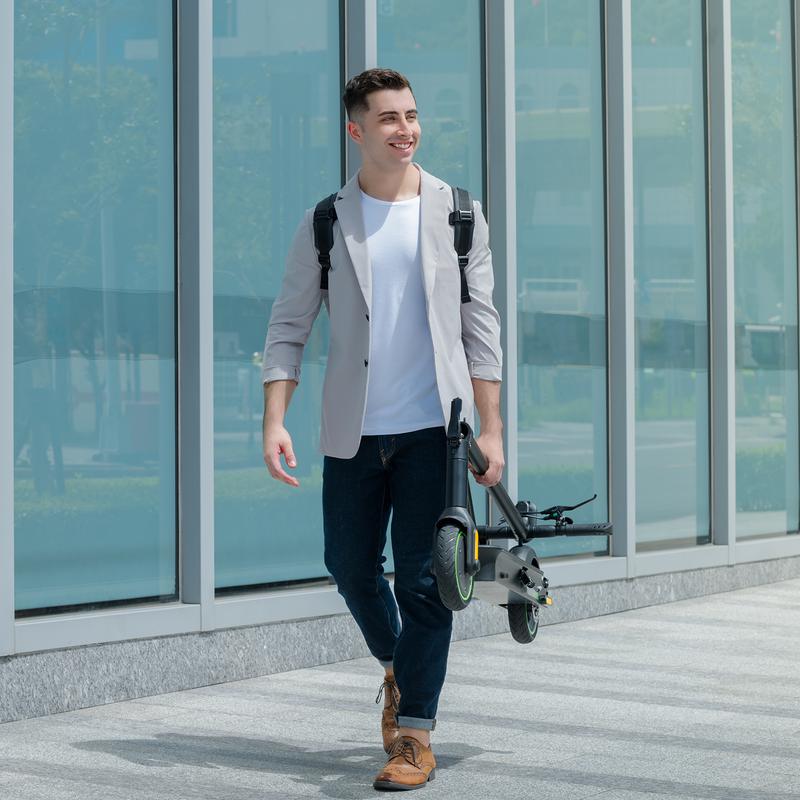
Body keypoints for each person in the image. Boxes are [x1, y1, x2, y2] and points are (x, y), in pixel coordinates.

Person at [261, 67, 504, 792]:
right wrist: (274, 417)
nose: (405, 129)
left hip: (436, 430)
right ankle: (401, 667)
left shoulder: (459, 212)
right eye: (389, 118)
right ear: (355, 130)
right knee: (350, 568)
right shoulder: (327, 221)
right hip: (355, 434)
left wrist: (492, 428)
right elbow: (288, 324)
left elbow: (479, 328)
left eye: (412, 115)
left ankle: (414, 737)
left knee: (427, 582)